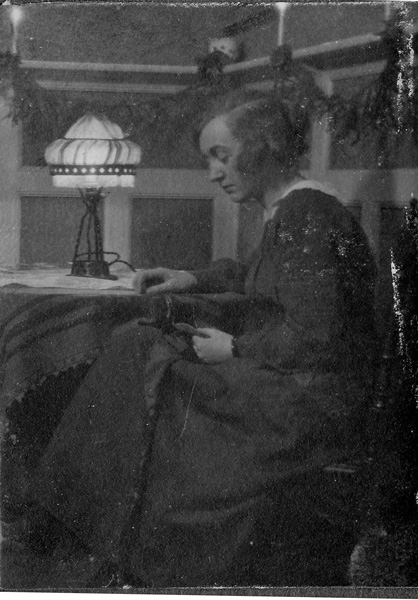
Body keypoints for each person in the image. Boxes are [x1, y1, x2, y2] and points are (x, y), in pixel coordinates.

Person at [33, 89, 379, 587]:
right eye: (209, 159)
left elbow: (317, 336)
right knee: (138, 346)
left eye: (222, 156)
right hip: (288, 378)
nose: (214, 173)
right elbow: (257, 275)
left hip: (309, 401)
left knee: (150, 365)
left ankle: (92, 532)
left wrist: (233, 348)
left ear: (264, 148)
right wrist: (190, 277)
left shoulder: (309, 215)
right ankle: (79, 523)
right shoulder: (292, 209)